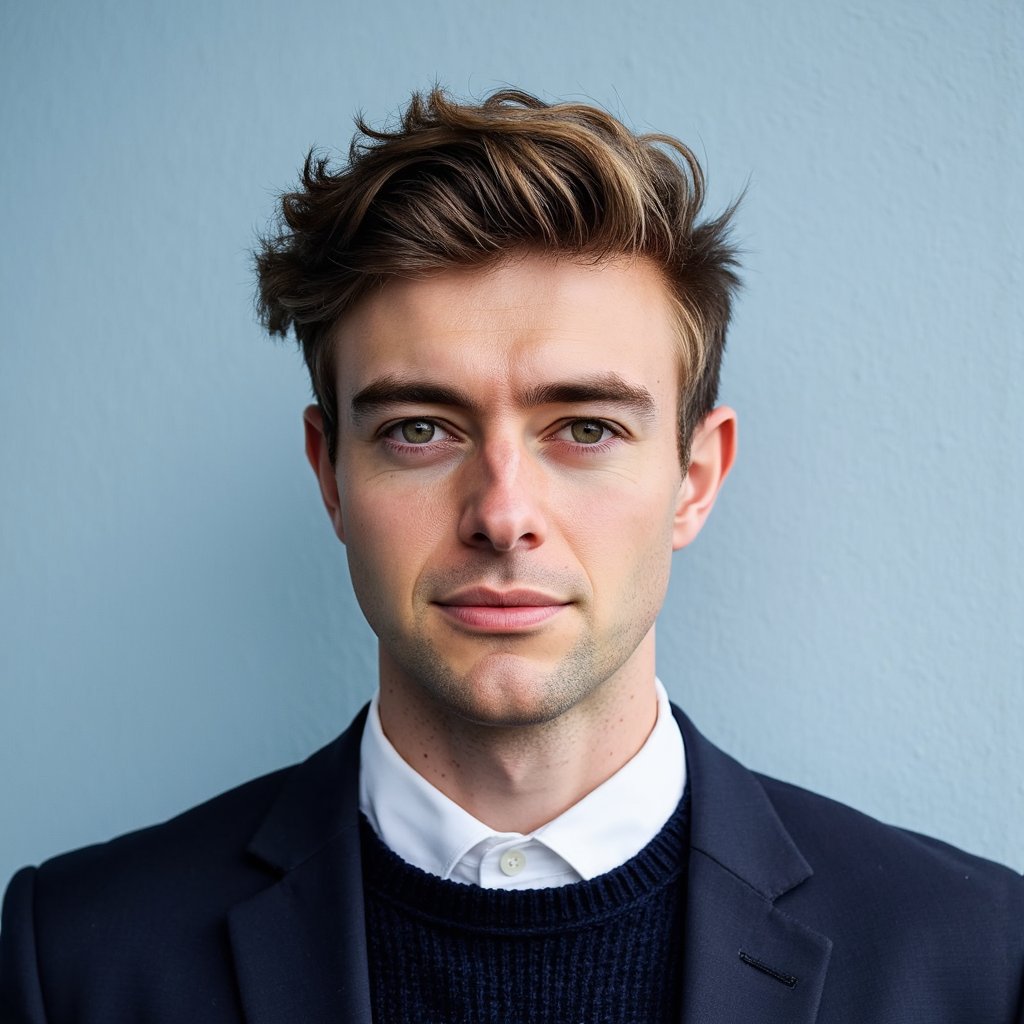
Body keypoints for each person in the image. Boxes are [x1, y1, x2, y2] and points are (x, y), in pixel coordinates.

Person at [1, 87, 1021, 1024]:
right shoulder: (79, 955)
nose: (501, 513)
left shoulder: (976, 954)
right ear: (330, 475)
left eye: (584, 428)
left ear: (695, 477)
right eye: (418, 428)